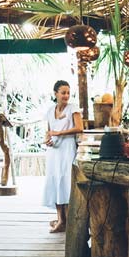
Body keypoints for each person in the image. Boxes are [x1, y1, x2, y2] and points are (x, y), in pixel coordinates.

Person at [42, 80, 83, 232]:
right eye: (63, 92)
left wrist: (59, 133)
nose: (66, 95)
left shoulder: (73, 109)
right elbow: (48, 131)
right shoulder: (50, 110)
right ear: (55, 94)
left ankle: (69, 219)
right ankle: (60, 219)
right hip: (54, 151)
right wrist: (48, 140)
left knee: (66, 181)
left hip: (67, 149)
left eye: (68, 92)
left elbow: (80, 128)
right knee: (54, 181)